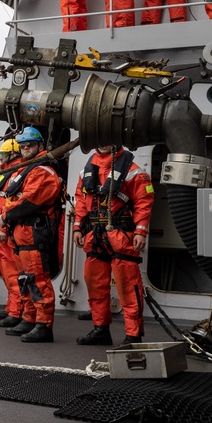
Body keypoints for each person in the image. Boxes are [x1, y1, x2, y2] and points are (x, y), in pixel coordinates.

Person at [72, 145, 155, 345]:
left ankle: (133, 335)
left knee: (128, 288)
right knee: (95, 285)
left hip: (121, 235)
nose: (104, 142)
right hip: (95, 235)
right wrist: (77, 227)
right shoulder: (88, 170)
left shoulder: (133, 170)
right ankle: (100, 329)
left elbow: (145, 200)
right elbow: (81, 201)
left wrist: (141, 231)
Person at [0, 127, 62, 343]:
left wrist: (6, 215)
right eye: (22, 146)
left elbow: (28, 201)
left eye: (29, 145)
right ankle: (29, 318)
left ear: (40, 146)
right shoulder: (26, 170)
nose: (25, 149)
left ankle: (44, 325)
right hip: (21, 235)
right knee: (25, 280)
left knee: (37, 280)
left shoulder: (43, 172)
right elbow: (12, 199)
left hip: (34, 233)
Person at [0, 139, 24, 325]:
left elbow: (10, 203)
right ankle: (11, 306)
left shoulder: (17, 173)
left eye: (3, 154)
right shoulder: (9, 172)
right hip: (1, 229)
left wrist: (2, 227)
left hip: (7, 231)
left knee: (11, 271)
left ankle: (16, 312)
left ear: (13, 154)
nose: (1, 158)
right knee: (5, 270)